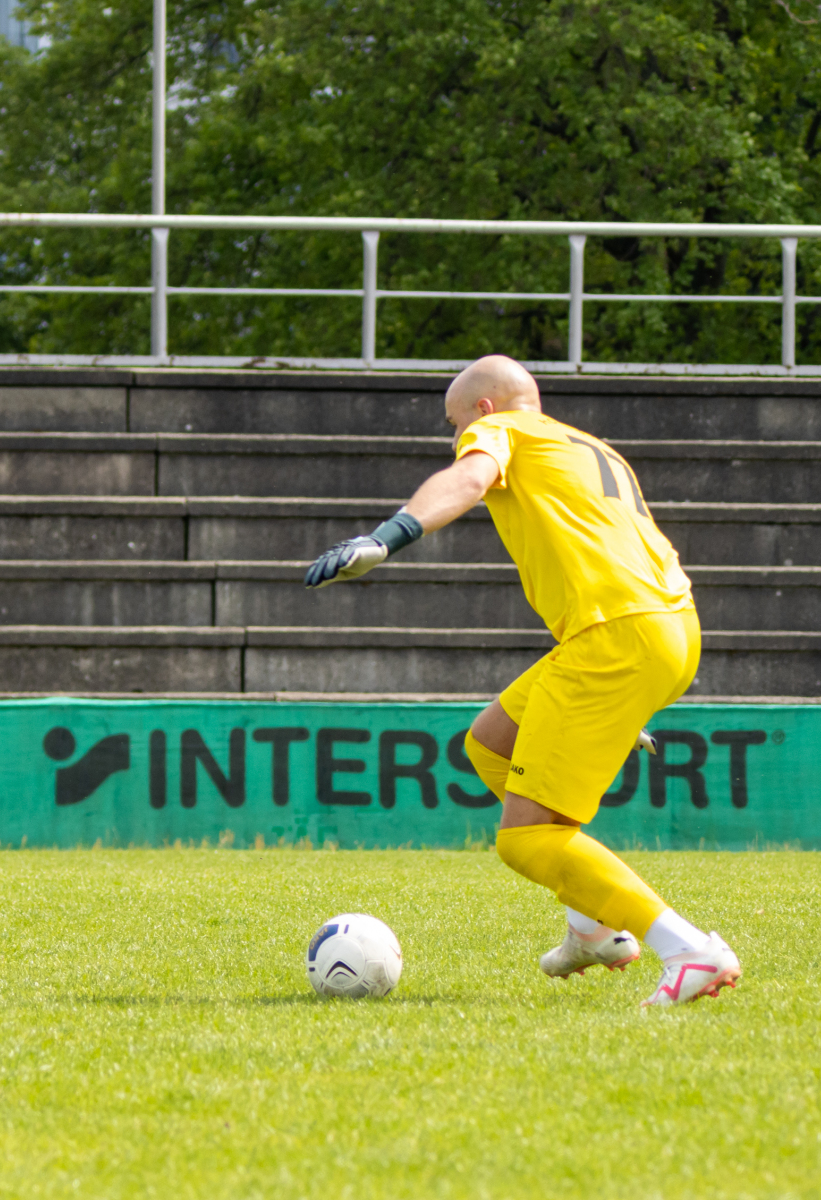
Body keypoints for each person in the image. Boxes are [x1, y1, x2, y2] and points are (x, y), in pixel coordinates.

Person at [305, 355, 741, 1006]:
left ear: (484, 409)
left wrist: (387, 538)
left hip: (616, 638)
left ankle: (688, 949)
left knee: (525, 840)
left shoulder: (501, 429)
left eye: (454, 425)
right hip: (671, 627)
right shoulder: (592, 447)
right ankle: (592, 926)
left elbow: (469, 477)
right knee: (490, 743)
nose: (457, 439)